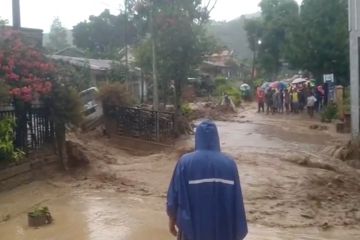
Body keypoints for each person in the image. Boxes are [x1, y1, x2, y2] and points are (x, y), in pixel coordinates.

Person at [167, 121, 248, 240]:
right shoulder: (229, 164)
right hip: (223, 232)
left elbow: (173, 197)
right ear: (216, 138)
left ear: (198, 138)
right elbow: (237, 201)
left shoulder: (185, 162)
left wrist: (171, 220)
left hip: (193, 231)